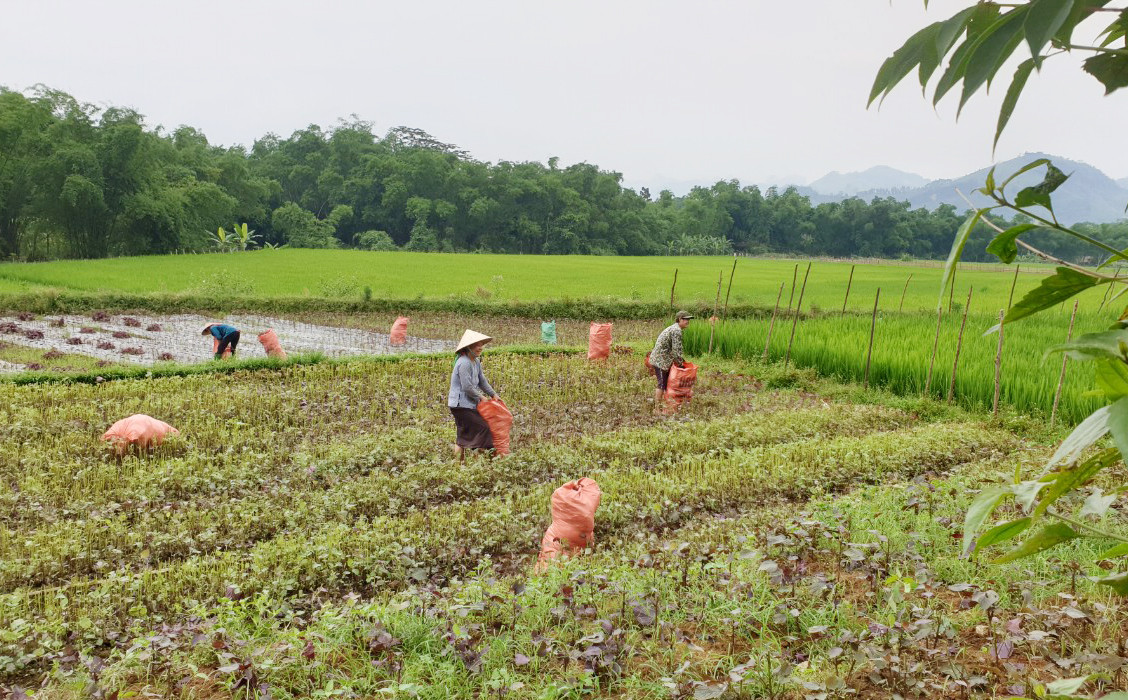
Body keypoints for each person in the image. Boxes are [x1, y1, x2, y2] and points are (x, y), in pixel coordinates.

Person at [448, 329, 499, 459]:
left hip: (468, 404)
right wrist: (481, 397)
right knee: (484, 428)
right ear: (469, 347)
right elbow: (467, 387)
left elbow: (482, 380)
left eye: (481, 344)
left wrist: (493, 394)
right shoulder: (464, 362)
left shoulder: (475, 361)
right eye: (477, 345)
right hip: (460, 405)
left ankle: (460, 464)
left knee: (463, 435)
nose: (480, 348)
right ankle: (481, 456)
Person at [648, 310, 693, 412]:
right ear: (680, 319)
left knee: (667, 383)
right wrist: (681, 365)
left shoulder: (674, 328)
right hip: (660, 360)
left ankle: (666, 406)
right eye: (686, 319)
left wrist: (680, 361)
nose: (688, 321)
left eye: (688, 319)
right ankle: (657, 409)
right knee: (662, 384)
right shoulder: (676, 330)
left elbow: (676, 350)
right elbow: (677, 351)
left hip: (664, 359)